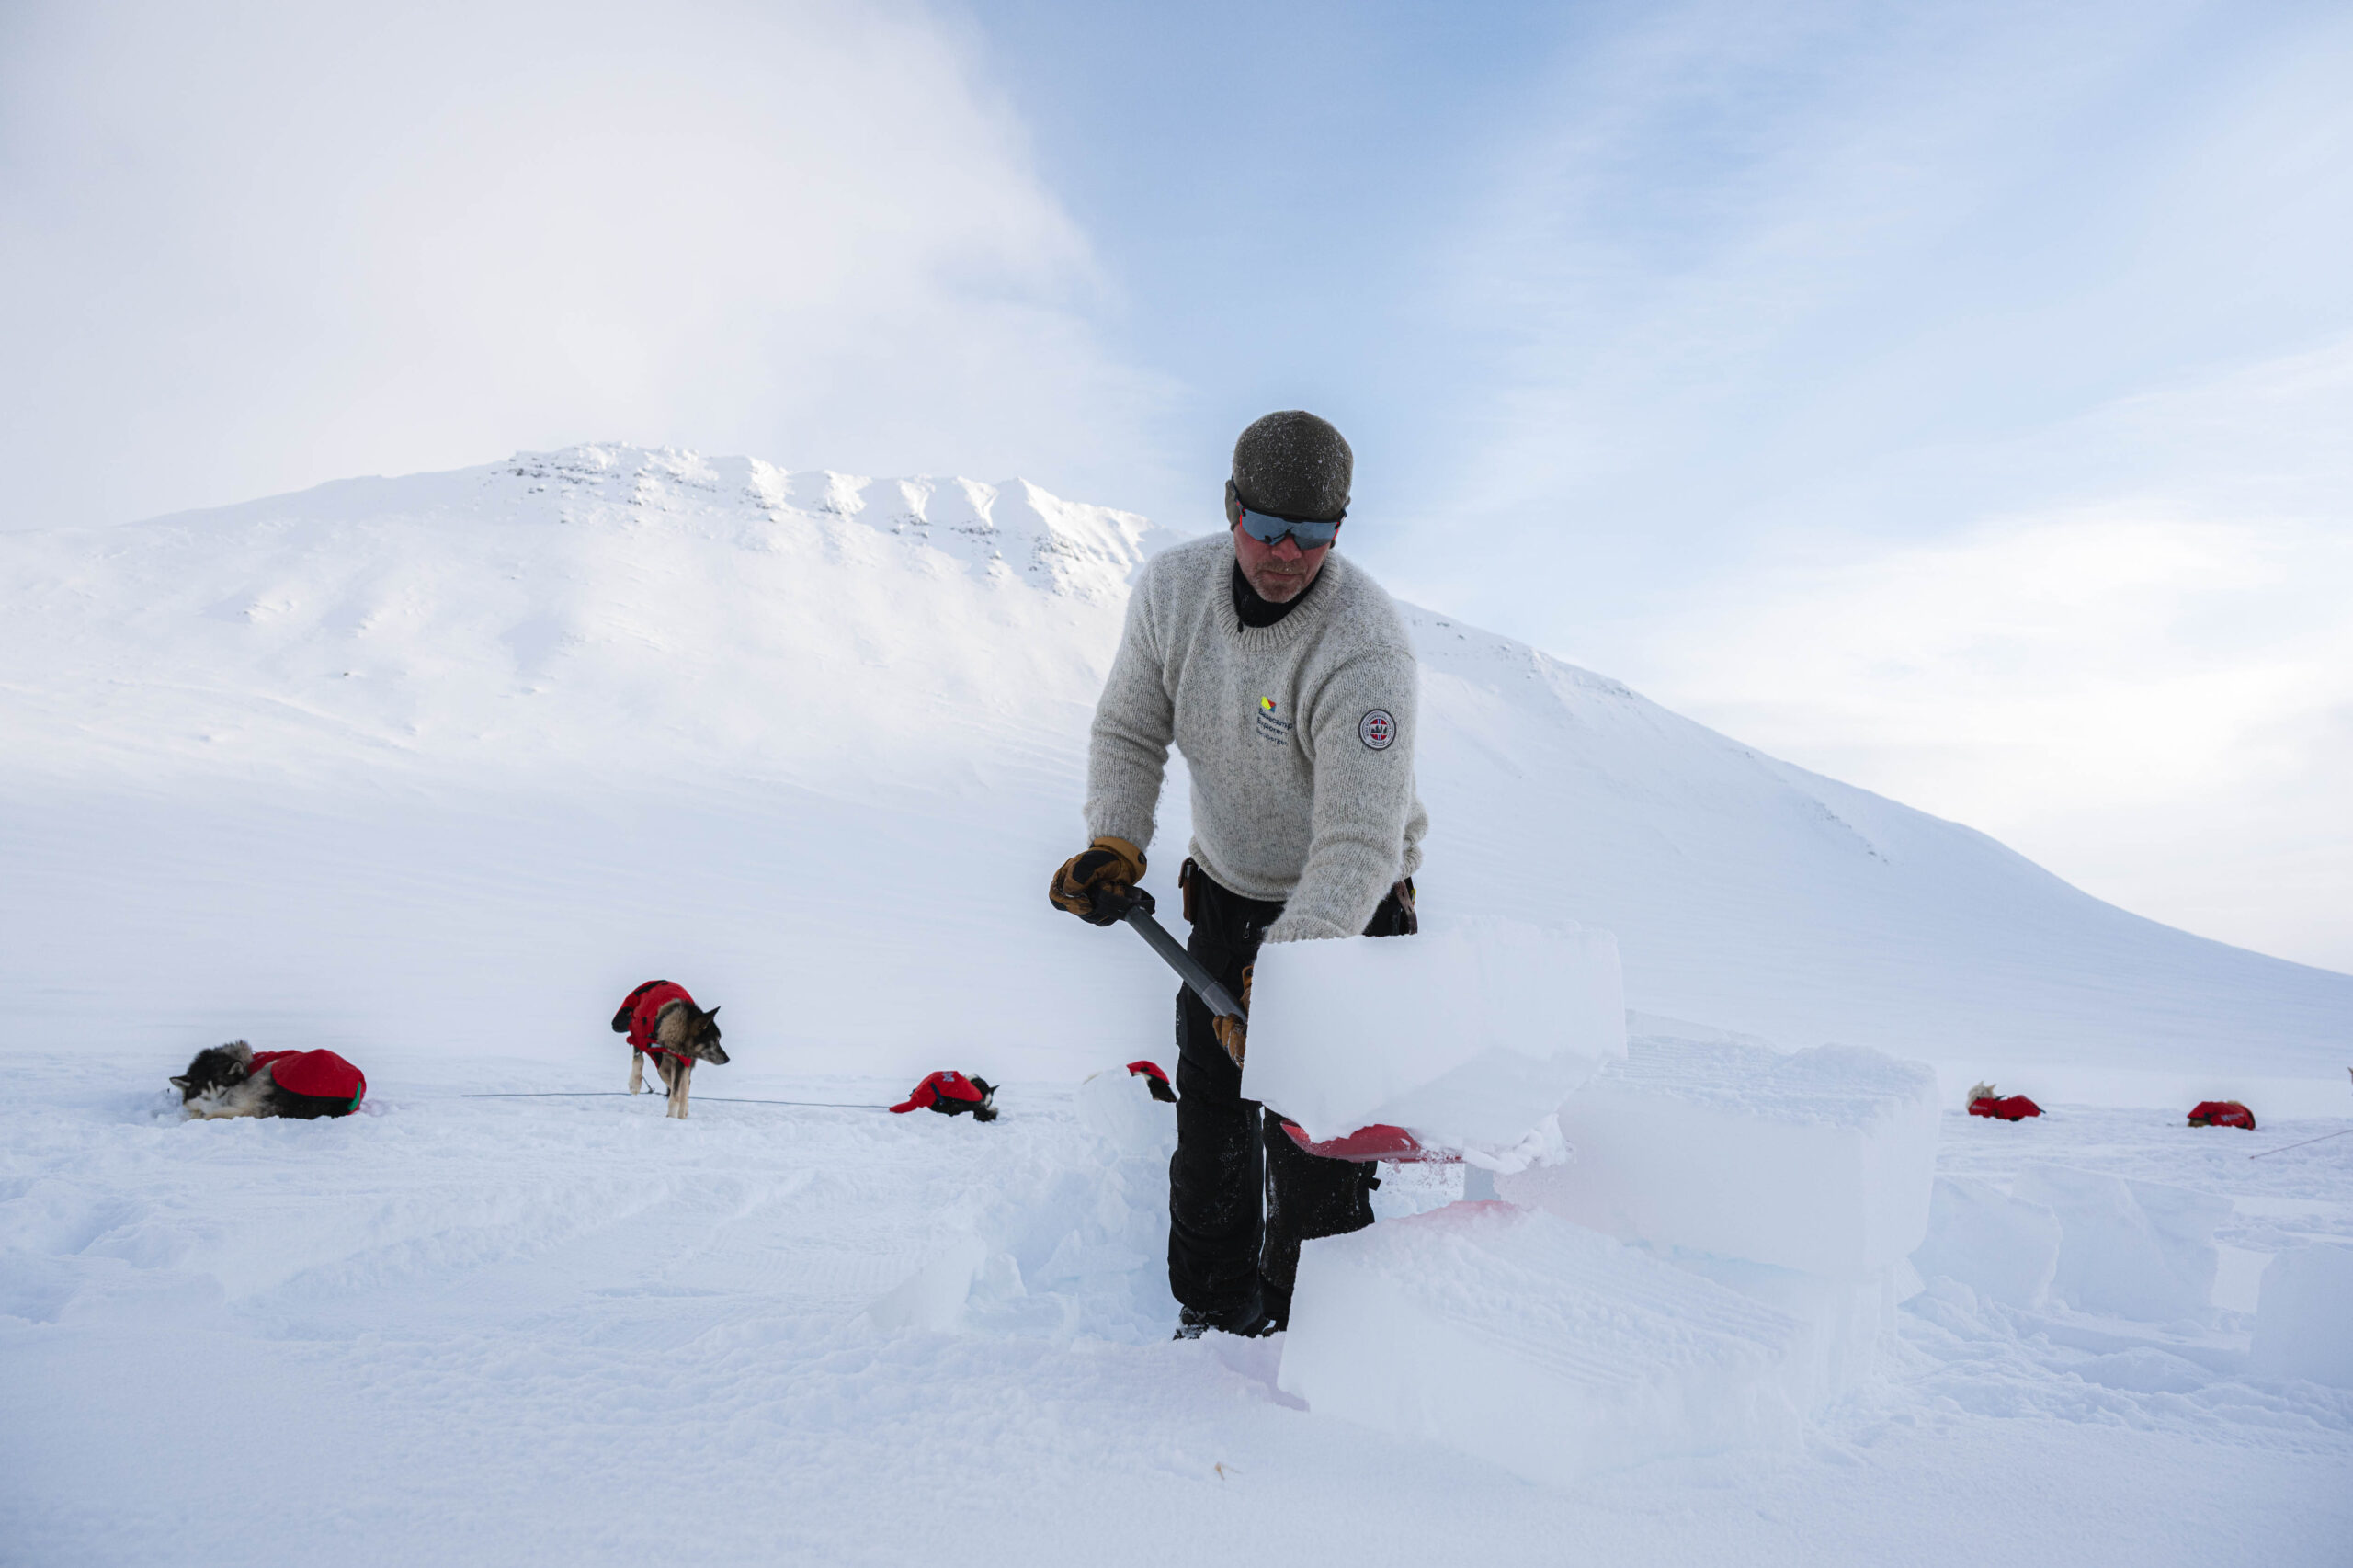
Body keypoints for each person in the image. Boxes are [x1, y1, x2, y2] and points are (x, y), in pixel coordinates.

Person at [1049, 409, 1427, 1337]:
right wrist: (1115, 840)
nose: (1287, 554)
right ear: (1231, 508)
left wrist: (1292, 967)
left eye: (1313, 534)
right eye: (1267, 527)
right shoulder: (1173, 593)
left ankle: (1310, 1335)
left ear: (1338, 530)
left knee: (1314, 1147)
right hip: (1224, 894)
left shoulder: (1364, 646)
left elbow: (1359, 842)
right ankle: (1213, 1313)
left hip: (1343, 916)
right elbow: (1129, 729)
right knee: (1211, 1125)